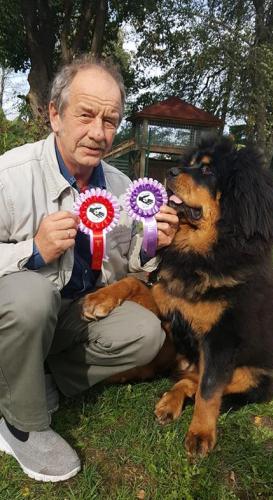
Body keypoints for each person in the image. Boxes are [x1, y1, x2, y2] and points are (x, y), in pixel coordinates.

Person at [0, 55, 178, 482]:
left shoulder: (120, 186)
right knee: (32, 295)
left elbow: (132, 263)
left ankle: (29, 380)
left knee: (147, 334)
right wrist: (33, 250)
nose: (99, 133)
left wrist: (155, 243)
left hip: (70, 316)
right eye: (86, 115)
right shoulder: (10, 175)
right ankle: (22, 424)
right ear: (54, 114)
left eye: (111, 120)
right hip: (18, 312)